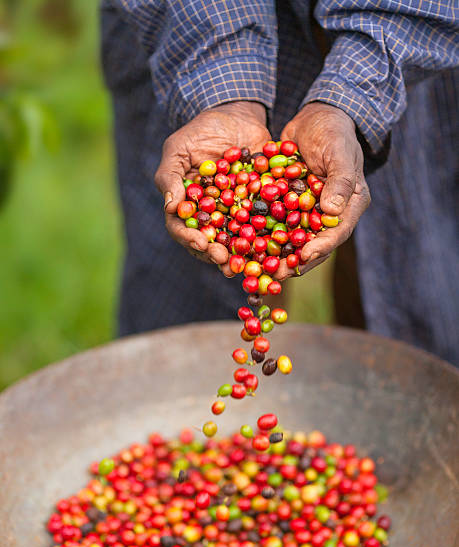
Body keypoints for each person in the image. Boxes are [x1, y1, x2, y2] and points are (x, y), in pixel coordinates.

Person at [100, 0, 459, 366]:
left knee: (419, 292)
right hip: (186, 34)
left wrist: (352, 94)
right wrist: (225, 91)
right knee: (184, 316)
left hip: (413, 56)